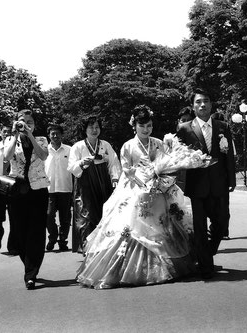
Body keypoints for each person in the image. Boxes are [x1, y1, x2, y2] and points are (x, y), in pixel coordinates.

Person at [76, 106, 197, 289]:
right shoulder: (128, 145)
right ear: (135, 126)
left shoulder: (158, 143)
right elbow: (127, 169)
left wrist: (161, 180)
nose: (146, 129)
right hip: (135, 188)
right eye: (142, 126)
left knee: (164, 223)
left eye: (149, 125)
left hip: (157, 189)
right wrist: (143, 182)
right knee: (130, 226)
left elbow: (168, 165)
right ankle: (125, 269)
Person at [176, 90, 236, 279]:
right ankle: (205, 266)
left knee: (222, 221)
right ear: (193, 106)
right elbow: (178, 157)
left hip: (219, 183)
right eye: (198, 102)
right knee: (200, 227)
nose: (202, 105)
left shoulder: (222, 126)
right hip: (197, 185)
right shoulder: (185, 128)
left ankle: (206, 253)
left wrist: (232, 179)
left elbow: (229, 155)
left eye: (206, 101)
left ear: (211, 104)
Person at [2, 110, 50, 290]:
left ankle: (31, 273)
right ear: (16, 123)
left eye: (30, 122)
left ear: (35, 125)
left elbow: (44, 155)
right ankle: (28, 264)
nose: (26, 124)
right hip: (17, 191)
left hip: (38, 190)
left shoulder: (42, 140)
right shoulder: (10, 140)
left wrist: (29, 134)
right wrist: (15, 135)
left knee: (36, 232)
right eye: (22, 122)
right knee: (19, 231)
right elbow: (6, 158)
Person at [67, 117, 121, 253]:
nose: (94, 130)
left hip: (103, 182)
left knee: (105, 212)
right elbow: (71, 167)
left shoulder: (105, 145)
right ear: (85, 129)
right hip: (85, 183)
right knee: (86, 215)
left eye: (97, 127)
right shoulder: (78, 146)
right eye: (91, 127)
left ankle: (104, 246)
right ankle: (87, 247)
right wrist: (81, 163)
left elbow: (114, 163)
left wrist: (115, 179)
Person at [44, 124, 72, 252]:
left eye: (57, 134)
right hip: (49, 189)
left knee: (65, 218)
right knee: (48, 215)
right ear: (49, 135)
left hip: (65, 188)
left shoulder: (69, 150)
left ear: (62, 135)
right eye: (52, 134)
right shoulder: (44, 150)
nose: (55, 136)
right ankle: (53, 237)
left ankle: (63, 241)